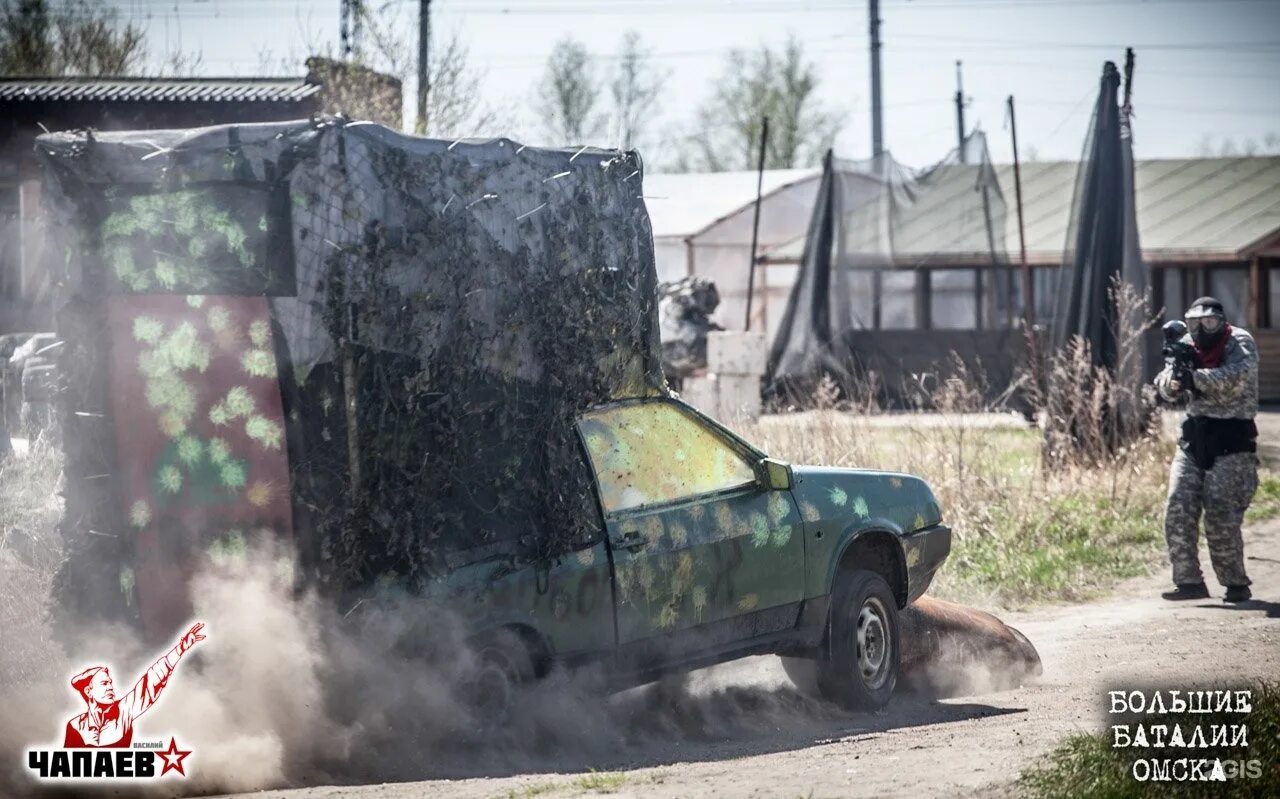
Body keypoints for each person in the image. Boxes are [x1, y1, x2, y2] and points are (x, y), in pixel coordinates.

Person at [1154, 297, 1259, 603]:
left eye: (1208, 323)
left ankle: (1235, 582)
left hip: (1233, 438)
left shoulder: (1239, 341)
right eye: (1194, 324)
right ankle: (1188, 582)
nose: (1201, 330)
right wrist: (1171, 383)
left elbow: (1236, 379)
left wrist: (1194, 378)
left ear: (1221, 321)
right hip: (1194, 437)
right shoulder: (1186, 344)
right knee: (1177, 505)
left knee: (1220, 513)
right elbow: (1165, 379)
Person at [64, 622, 205, 747]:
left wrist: (180, 649)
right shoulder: (75, 727)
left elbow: (151, 680)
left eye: (110, 683)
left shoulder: (124, 711)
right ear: (89, 691)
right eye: (104, 683)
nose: (110, 687)